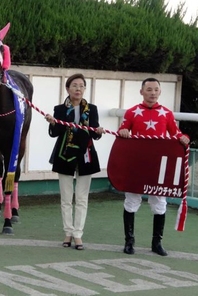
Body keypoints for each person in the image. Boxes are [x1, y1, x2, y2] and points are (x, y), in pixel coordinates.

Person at [118, 77, 189, 256]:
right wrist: (123, 132)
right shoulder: (132, 112)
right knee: (132, 200)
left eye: (156, 89)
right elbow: (123, 130)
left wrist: (183, 138)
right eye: (149, 90)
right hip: (137, 165)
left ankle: (157, 242)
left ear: (160, 92)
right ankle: (129, 241)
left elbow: (176, 133)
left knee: (159, 202)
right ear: (141, 92)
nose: (152, 93)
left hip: (158, 167)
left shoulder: (166, 114)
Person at [45, 73, 103, 250]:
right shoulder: (60, 109)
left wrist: (98, 130)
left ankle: (78, 234)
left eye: (81, 86)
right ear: (67, 88)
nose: (78, 89)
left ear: (85, 89)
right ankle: (67, 232)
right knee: (66, 198)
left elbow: (94, 134)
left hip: (86, 156)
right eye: (75, 85)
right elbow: (54, 134)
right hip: (65, 156)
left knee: (82, 198)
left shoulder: (91, 109)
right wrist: (53, 123)